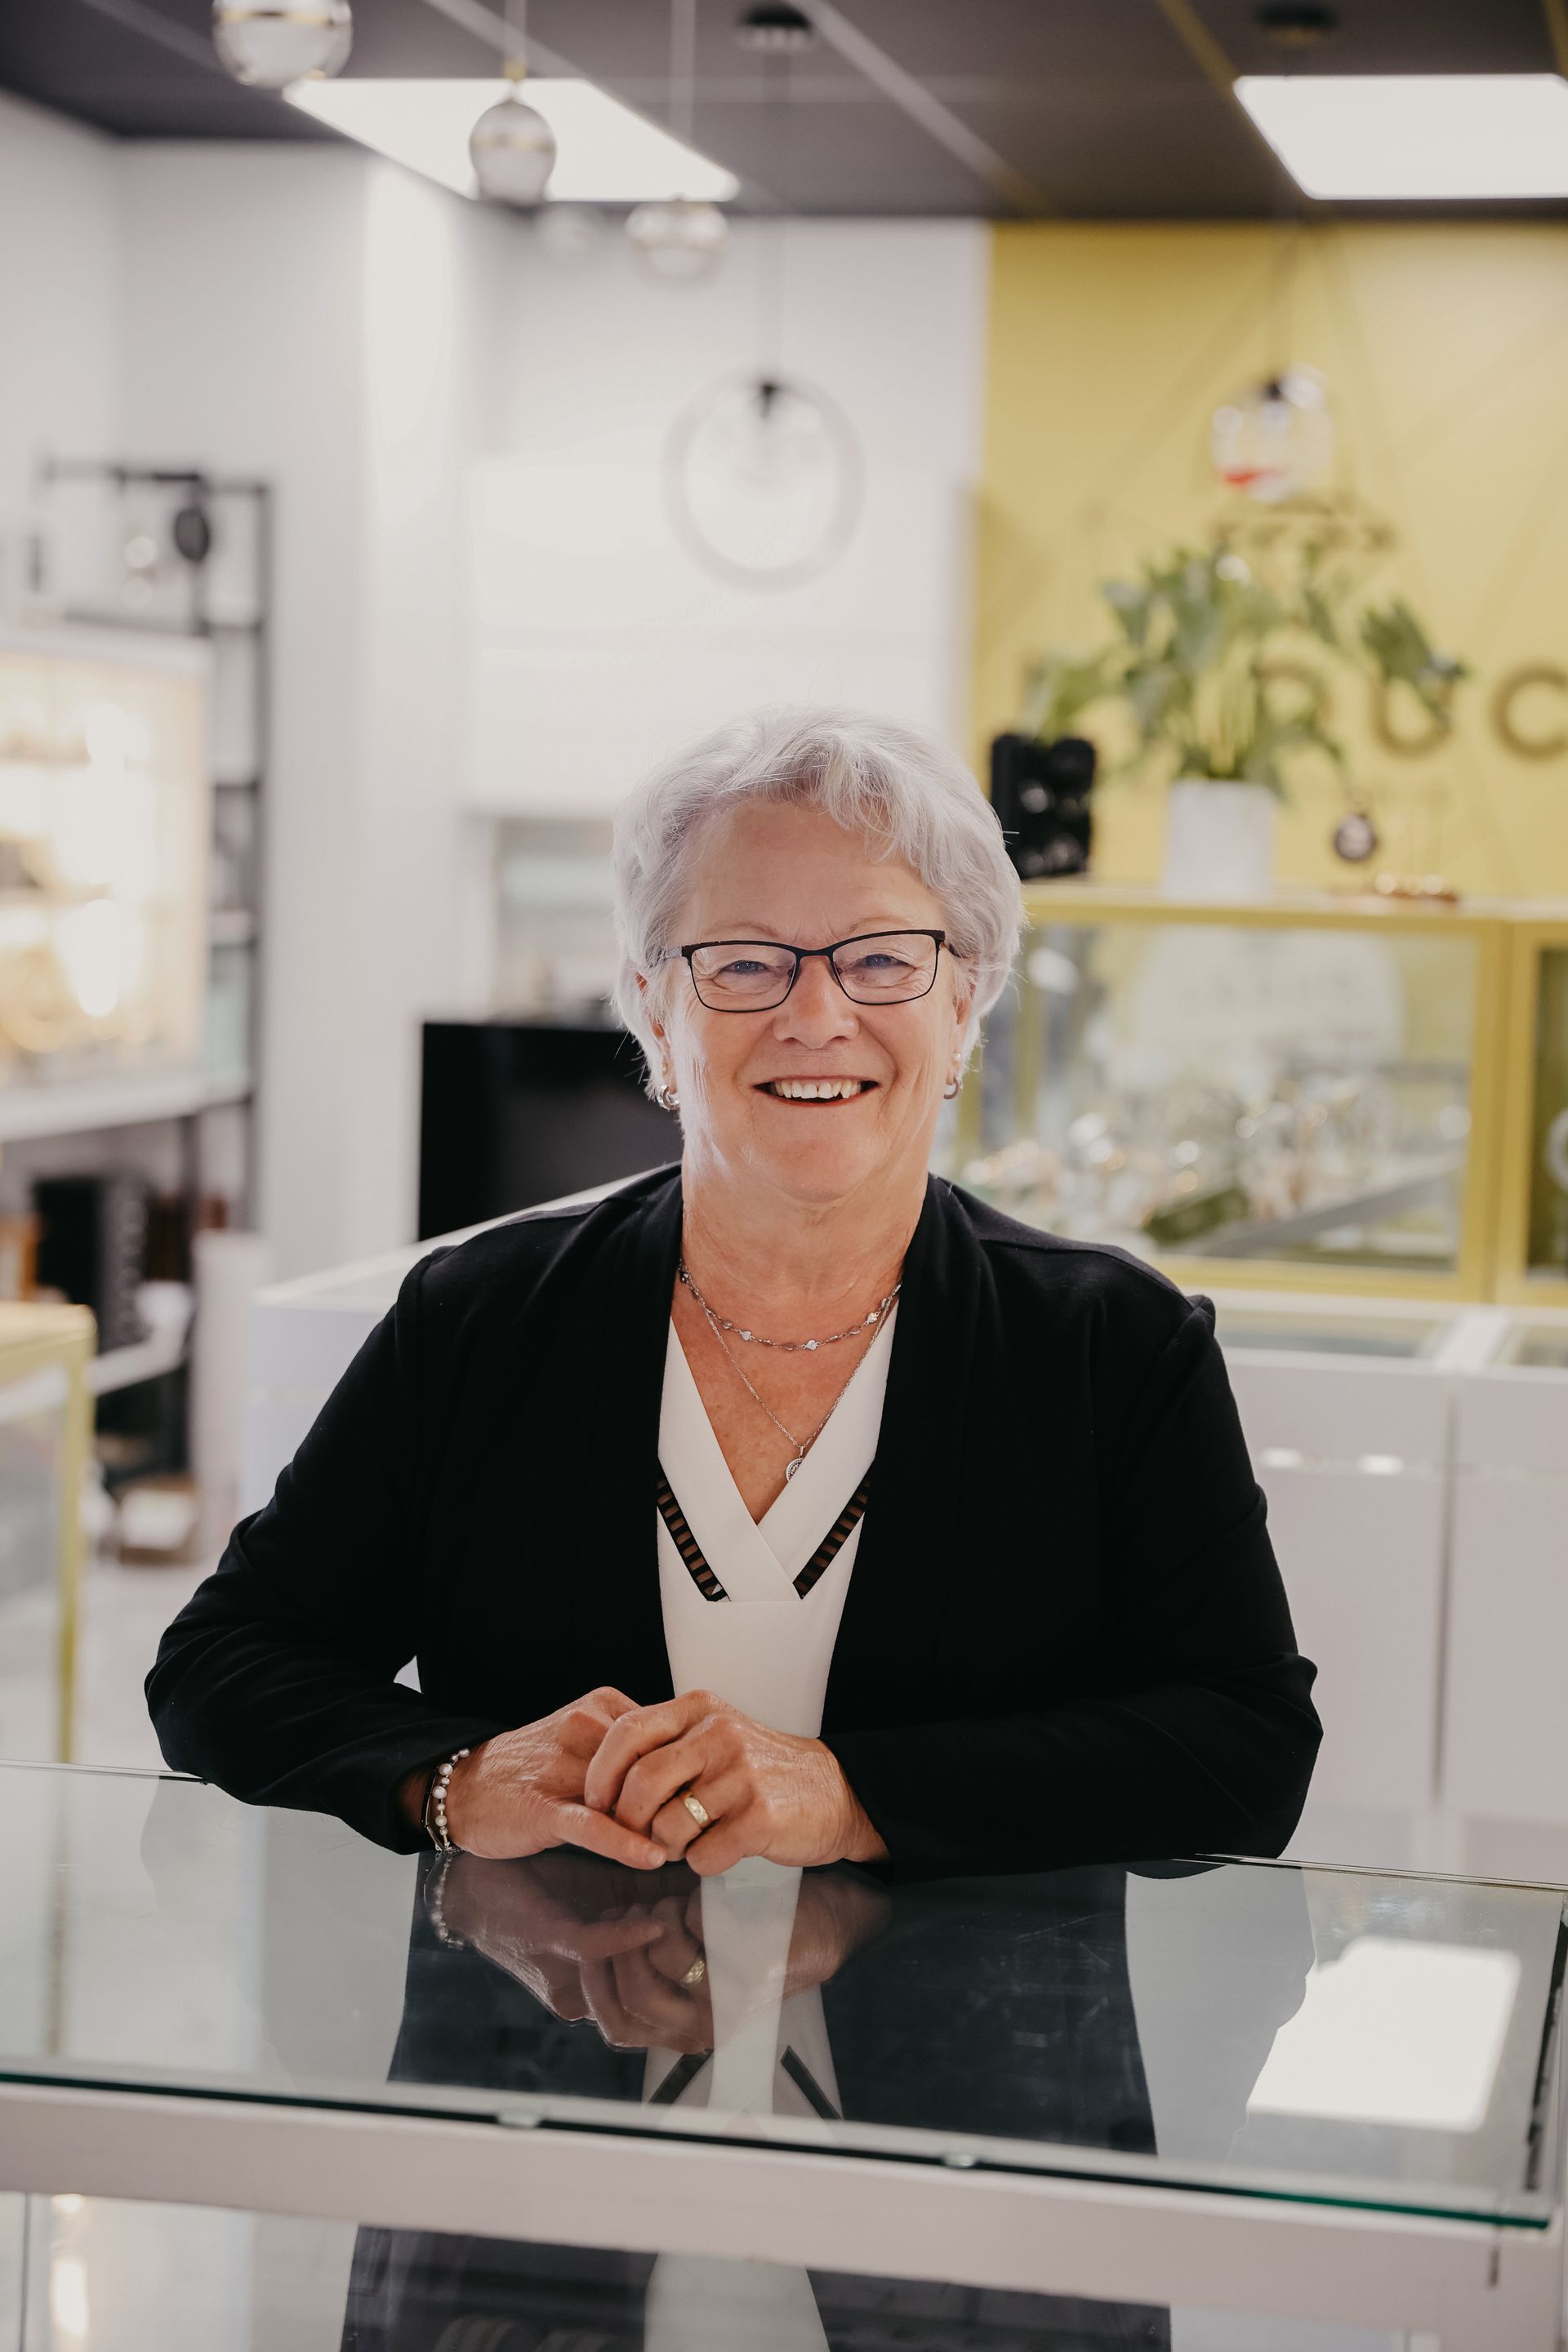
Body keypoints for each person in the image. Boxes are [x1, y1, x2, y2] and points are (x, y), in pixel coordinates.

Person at [148, 707, 1321, 1879]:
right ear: (655, 1012)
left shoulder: (1114, 1350)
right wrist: (455, 1779)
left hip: (970, 2055)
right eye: (746, 963)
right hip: (534, 2051)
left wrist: (852, 1794)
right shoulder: (478, 1322)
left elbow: (1244, 1753)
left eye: (880, 958)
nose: (817, 1016)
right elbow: (222, 1666)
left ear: (964, 1005)